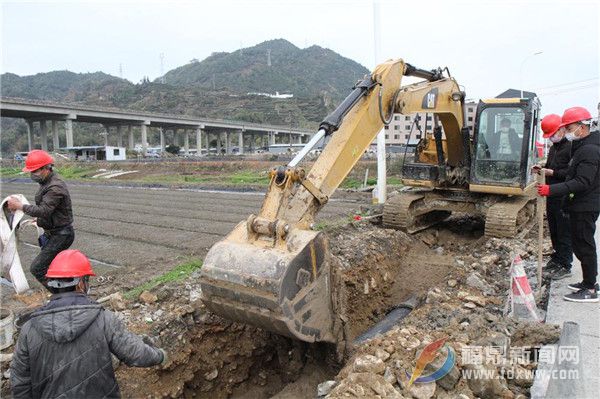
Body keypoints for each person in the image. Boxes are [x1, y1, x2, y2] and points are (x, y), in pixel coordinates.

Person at [10, 249, 167, 398]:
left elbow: (20, 382)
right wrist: (160, 356)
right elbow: (136, 354)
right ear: (80, 284)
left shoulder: (29, 329)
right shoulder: (103, 319)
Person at [537, 106, 600, 302]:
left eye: (570, 127)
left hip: (586, 204)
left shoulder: (589, 150)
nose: (568, 131)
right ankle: (587, 281)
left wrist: (551, 189)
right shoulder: (582, 146)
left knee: (584, 245)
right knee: (580, 244)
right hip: (579, 203)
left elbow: (582, 182)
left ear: (582, 127)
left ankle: (590, 288)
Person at [7, 150, 75, 286]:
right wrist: (39, 221)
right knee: (53, 267)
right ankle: (67, 288)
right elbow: (51, 212)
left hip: (61, 235)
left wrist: (20, 206)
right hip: (53, 232)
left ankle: (59, 294)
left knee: (37, 268)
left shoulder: (55, 187)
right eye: (31, 172)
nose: (33, 175)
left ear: (46, 168)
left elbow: (44, 210)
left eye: (35, 171)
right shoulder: (46, 182)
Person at [532, 114, 573, 280]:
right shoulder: (554, 148)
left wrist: (553, 173)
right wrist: (542, 167)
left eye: (553, 134)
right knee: (554, 230)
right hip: (551, 194)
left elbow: (571, 174)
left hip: (562, 194)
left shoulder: (570, 148)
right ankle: (557, 257)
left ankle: (565, 263)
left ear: (561, 130)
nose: (552, 138)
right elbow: (551, 166)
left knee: (563, 231)